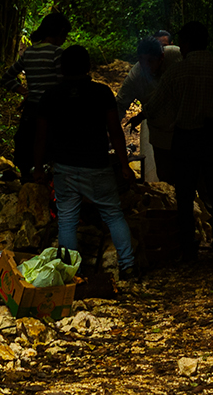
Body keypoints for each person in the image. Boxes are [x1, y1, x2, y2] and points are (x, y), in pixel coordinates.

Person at [39, 45, 137, 279]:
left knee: (67, 220)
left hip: (64, 167)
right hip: (98, 166)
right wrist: (124, 165)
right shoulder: (101, 93)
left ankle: (73, 273)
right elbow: (115, 132)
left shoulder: (51, 95)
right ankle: (128, 265)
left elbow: (40, 135)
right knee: (113, 215)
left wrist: (37, 165)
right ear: (88, 67)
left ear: (62, 67)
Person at [148, 20, 213, 261]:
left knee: (185, 194)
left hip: (185, 140)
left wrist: (147, 117)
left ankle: (188, 247)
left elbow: (155, 105)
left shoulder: (176, 72)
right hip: (212, 138)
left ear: (186, 44)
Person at [6, 13, 69, 175]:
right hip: (53, 111)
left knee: (28, 149)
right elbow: (63, 85)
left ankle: (27, 183)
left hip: (31, 110)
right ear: (61, 31)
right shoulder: (57, 53)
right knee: (50, 152)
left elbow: (6, 78)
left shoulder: (29, 53)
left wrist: (25, 92)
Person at [115, 35, 181, 190]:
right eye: (142, 61)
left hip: (183, 129)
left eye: (151, 61)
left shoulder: (176, 56)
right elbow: (119, 105)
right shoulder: (135, 77)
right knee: (166, 178)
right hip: (160, 133)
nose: (146, 66)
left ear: (161, 57)